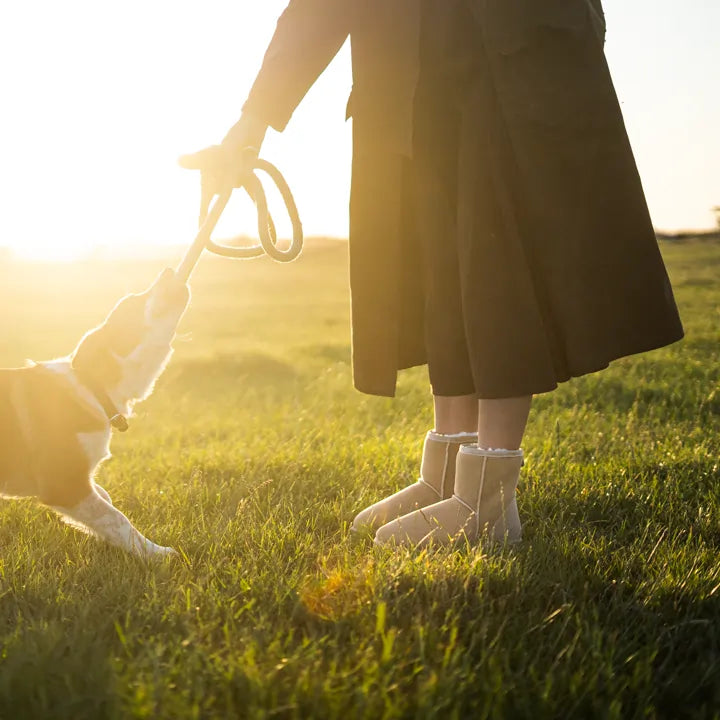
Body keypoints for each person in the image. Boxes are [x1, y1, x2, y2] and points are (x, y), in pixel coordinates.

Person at [179, 0, 684, 548]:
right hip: (405, 77)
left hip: (511, 57)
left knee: (496, 263)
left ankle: (488, 503)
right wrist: (253, 121)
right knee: (439, 273)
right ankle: (447, 476)